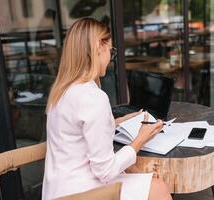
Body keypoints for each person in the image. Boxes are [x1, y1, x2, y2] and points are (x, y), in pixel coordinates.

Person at [42, 17, 172, 200]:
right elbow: (105, 171)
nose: (110, 57)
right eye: (111, 50)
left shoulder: (62, 90)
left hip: (59, 190)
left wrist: (120, 120)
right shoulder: (93, 98)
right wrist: (139, 140)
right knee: (158, 187)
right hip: (82, 193)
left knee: (140, 176)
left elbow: (77, 133)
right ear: (98, 48)